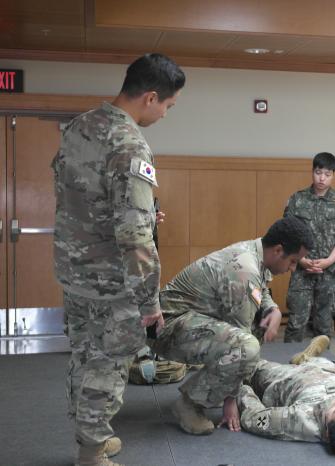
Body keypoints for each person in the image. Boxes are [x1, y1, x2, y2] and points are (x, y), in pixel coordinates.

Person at [53, 53, 184, 466]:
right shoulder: (129, 144)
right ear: (150, 97)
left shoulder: (79, 126)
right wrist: (150, 301)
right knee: (107, 364)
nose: (165, 114)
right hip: (111, 281)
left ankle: (89, 434)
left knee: (83, 356)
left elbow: (76, 194)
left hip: (73, 271)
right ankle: (91, 452)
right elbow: (135, 236)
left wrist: (140, 212)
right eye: (167, 105)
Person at [152, 217, 314, 436]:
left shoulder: (255, 252)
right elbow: (242, 344)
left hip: (187, 321)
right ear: (278, 250)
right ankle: (189, 404)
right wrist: (231, 399)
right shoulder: (244, 271)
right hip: (166, 330)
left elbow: (259, 290)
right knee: (247, 346)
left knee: (255, 328)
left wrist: (273, 309)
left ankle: (215, 388)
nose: (293, 268)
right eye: (293, 261)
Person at [236, 337, 335, 456]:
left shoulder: (299, 422)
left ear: (327, 433)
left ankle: (302, 360)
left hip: (288, 378)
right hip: (329, 370)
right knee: (324, 362)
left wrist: (239, 389)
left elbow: (254, 417)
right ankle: (308, 357)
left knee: (247, 366)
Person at [284, 152, 335, 342]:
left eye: (327, 174)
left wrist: (329, 261)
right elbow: (287, 233)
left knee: (324, 325)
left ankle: (322, 368)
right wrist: (301, 260)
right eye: (318, 172)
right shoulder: (297, 200)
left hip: (328, 272)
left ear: (333, 175)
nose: (322, 178)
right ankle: (289, 368)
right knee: (296, 323)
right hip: (302, 271)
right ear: (312, 172)